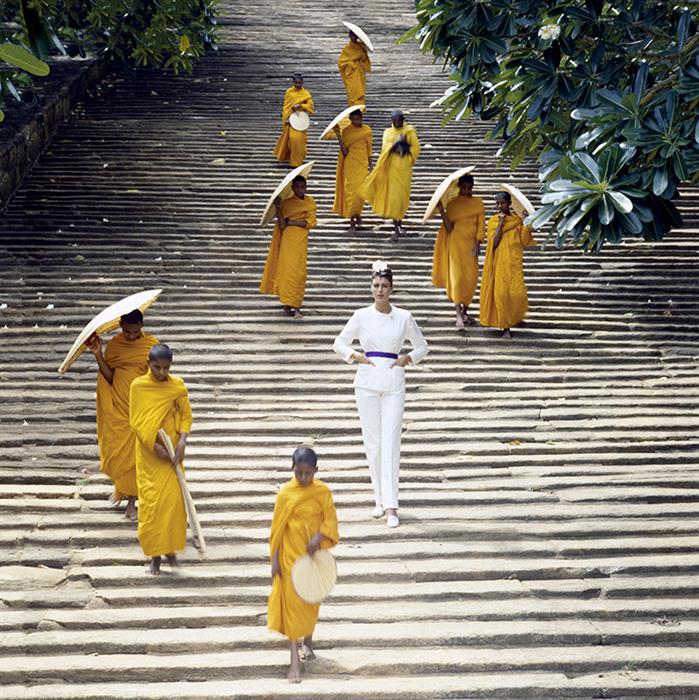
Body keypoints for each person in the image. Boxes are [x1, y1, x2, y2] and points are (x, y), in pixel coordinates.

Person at [333, 262, 428, 528]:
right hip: (366, 381)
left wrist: (408, 358)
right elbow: (338, 342)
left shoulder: (404, 317)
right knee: (373, 443)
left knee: (391, 442)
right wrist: (355, 356)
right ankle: (378, 498)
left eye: (384, 286)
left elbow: (423, 345)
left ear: (392, 288)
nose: (380, 290)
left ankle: (392, 505)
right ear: (371, 287)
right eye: (376, 285)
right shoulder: (361, 316)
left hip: (394, 381)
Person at [268, 445, 339, 683]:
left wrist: (319, 537)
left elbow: (330, 519)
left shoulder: (322, 492)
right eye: (299, 473)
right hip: (290, 556)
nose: (304, 478)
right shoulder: (285, 494)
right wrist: (275, 561)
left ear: (316, 471)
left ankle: (308, 640)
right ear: (293, 469)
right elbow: (277, 530)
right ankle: (294, 658)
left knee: (310, 601)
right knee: (291, 606)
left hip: (312, 558)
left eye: (308, 473)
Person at [129, 343, 193, 575]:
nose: (161, 373)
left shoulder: (177, 386)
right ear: (148, 363)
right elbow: (136, 422)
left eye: (166, 368)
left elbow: (186, 416)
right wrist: (156, 448)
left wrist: (183, 442)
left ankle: (171, 551)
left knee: (175, 504)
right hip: (150, 453)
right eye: (157, 367)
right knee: (152, 506)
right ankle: (154, 557)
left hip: (174, 451)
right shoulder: (139, 386)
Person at [88, 309, 158, 520]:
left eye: (135, 332)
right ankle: (122, 490)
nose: (131, 335)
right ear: (120, 326)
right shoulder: (115, 346)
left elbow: (156, 377)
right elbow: (109, 376)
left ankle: (131, 503)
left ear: (142, 327)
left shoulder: (151, 345)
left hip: (140, 407)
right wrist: (98, 354)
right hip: (119, 406)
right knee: (121, 452)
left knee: (137, 455)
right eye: (127, 331)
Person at [432, 174, 486, 328]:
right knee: (458, 277)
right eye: (464, 187)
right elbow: (449, 228)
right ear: (459, 187)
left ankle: (465, 311)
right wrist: (442, 211)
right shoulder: (453, 204)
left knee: (471, 279)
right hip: (456, 244)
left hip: (471, 245)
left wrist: (478, 243)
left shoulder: (478, 203)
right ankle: (458, 314)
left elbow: (481, 225)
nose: (466, 190)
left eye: (469, 188)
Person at [260, 174, 317, 319]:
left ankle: (296, 305)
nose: (299, 189)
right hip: (288, 240)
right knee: (287, 272)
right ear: (292, 188)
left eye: (302, 187)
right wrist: (278, 208)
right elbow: (282, 224)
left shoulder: (310, 202)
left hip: (300, 240)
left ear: (306, 187)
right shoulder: (287, 203)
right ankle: (287, 303)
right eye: (297, 187)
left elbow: (311, 222)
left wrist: (293, 222)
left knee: (299, 273)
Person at [479, 191, 535, 339]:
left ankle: (514, 317)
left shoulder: (517, 221)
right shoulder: (493, 222)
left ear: (509, 204)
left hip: (514, 264)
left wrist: (527, 224)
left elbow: (524, 241)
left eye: (502, 203)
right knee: (502, 295)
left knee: (518, 294)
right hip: (499, 265)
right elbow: (494, 243)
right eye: (496, 203)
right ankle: (506, 328)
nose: (499, 206)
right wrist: (501, 224)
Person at [360, 110, 420, 242]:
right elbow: (384, 149)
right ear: (391, 121)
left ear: (403, 119)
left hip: (404, 169)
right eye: (394, 120)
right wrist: (394, 146)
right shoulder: (387, 133)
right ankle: (396, 228)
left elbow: (416, 148)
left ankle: (400, 224)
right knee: (393, 199)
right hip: (391, 169)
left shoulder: (409, 131)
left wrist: (406, 150)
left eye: (399, 120)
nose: (397, 123)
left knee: (402, 199)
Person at [332, 109, 373, 231]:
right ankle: (352, 222)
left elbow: (369, 149)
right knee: (351, 192)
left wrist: (371, 166)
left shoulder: (367, 130)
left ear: (361, 118)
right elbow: (344, 152)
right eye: (353, 119)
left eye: (358, 119)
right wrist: (338, 135)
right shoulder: (346, 131)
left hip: (362, 163)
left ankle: (357, 214)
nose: (356, 121)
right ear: (350, 120)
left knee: (360, 193)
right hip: (350, 164)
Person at [274, 73, 315, 168]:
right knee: (292, 139)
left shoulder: (306, 93)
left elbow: (311, 106)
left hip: (301, 119)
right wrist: (286, 118)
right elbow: (286, 106)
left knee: (300, 140)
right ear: (293, 82)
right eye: (296, 83)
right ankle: (293, 161)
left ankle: (297, 162)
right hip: (292, 119)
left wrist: (301, 106)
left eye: (299, 83)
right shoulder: (289, 92)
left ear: (302, 83)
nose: (297, 85)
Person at [337, 30, 371, 106]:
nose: (354, 37)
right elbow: (341, 63)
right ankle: (353, 110)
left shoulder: (361, 47)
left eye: (355, 36)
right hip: (351, 74)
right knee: (352, 93)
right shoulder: (347, 49)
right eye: (352, 35)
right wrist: (351, 64)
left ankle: (360, 110)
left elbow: (365, 60)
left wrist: (364, 52)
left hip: (359, 73)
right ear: (349, 36)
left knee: (360, 92)